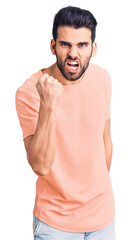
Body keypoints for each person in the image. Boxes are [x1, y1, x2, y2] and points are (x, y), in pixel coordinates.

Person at [15, 6, 116, 240]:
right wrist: (49, 104)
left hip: (102, 219)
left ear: (93, 48)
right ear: (53, 46)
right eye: (65, 44)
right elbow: (40, 165)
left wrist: (95, 194)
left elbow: (105, 141)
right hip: (55, 225)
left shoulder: (102, 78)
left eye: (82, 45)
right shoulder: (30, 92)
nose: (73, 53)